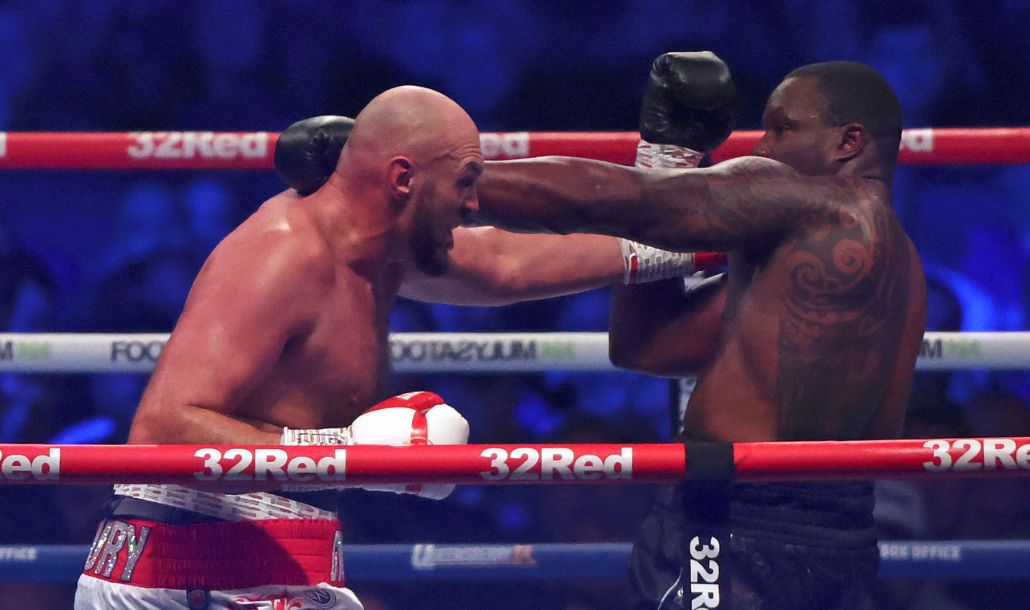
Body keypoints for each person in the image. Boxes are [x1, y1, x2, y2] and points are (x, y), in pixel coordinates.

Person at [473, 54, 927, 609]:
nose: (762, 149)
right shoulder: (898, 265)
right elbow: (649, 345)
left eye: (783, 129)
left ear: (848, 142)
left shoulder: (818, 207)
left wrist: (453, 182)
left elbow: (629, 203)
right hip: (839, 538)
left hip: (735, 521)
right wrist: (668, 161)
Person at [73, 86, 483, 609]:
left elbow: (507, 263)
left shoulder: (378, 255)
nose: (470, 207)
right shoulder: (284, 248)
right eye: (464, 183)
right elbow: (161, 433)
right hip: (178, 575)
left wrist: (625, 254)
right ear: (397, 177)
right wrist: (346, 450)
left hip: (283, 568)